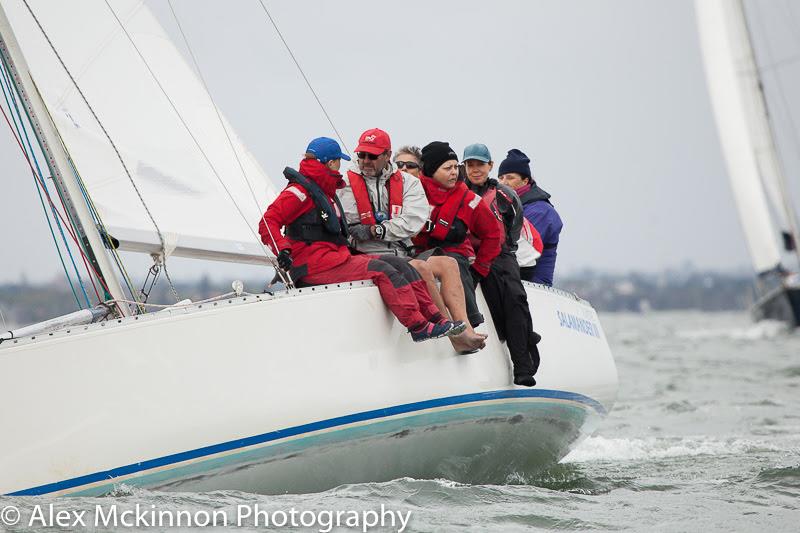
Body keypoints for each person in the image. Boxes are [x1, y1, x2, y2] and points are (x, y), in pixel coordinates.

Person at [258, 136, 464, 343]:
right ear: (331, 162)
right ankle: (418, 326)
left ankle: (438, 319)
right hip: (314, 265)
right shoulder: (299, 192)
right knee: (384, 271)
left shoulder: (323, 189)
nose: (342, 166)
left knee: (403, 265)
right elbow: (268, 222)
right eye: (339, 161)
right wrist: (283, 250)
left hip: (334, 258)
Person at [337, 130, 486, 352]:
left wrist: (378, 230)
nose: (366, 161)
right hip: (367, 254)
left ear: (387, 156)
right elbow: (349, 224)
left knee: (449, 263)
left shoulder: (408, 183)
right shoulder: (345, 184)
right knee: (421, 268)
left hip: (402, 251)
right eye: (362, 155)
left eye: (373, 156)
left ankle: (465, 328)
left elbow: (414, 220)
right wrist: (369, 232)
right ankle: (454, 335)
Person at [463, 143, 541, 386]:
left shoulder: (506, 194)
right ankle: (525, 337)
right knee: (494, 301)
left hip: (501, 253)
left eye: (480, 164)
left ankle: (523, 367)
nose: (475, 170)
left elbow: (514, 227)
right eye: (470, 165)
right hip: (471, 254)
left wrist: (503, 251)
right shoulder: (459, 193)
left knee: (515, 297)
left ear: (490, 166)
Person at [413, 141, 503, 330]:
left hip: (455, 255)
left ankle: (468, 322)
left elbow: (493, 235)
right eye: (447, 168)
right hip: (417, 254)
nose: (454, 172)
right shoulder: (412, 193)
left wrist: (479, 270)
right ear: (431, 169)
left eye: (456, 167)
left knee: (453, 263)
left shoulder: (470, 200)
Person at [498, 149, 563, 286]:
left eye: (510, 177)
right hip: (513, 280)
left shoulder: (540, 211)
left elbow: (522, 251)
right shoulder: (510, 206)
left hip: (535, 287)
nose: (503, 182)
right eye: (501, 177)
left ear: (525, 180)